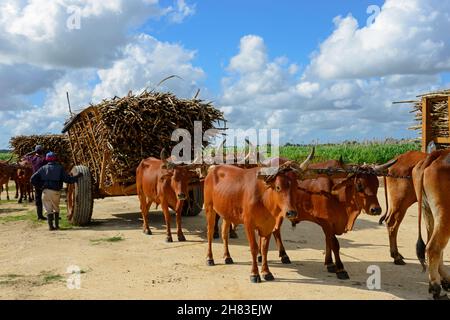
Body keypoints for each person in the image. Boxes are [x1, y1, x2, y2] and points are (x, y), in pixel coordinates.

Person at [31, 152, 83, 231]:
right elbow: (68, 180)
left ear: (47, 159)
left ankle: (50, 227)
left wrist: (40, 186)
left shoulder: (43, 168)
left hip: (45, 192)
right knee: (56, 208)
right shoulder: (59, 168)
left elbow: (32, 179)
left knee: (48, 210)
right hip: (56, 192)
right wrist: (77, 176)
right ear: (55, 159)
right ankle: (57, 226)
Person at [24, 145, 47, 220]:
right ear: (42, 151)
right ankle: (50, 214)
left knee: (38, 198)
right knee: (47, 197)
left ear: (36, 151)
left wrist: (33, 152)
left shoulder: (32, 159)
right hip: (44, 181)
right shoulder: (44, 159)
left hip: (36, 181)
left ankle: (39, 216)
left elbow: (25, 155)